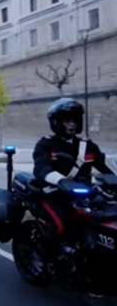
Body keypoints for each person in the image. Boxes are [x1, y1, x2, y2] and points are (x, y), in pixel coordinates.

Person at [31, 97, 114, 274]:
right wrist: (61, 181)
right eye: (67, 120)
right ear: (57, 122)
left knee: (107, 222)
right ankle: (41, 253)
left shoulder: (88, 146)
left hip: (84, 194)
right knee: (61, 225)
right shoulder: (46, 144)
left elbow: (107, 168)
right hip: (54, 193)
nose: (72, 124)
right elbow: (41, 168)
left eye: (75, 120)